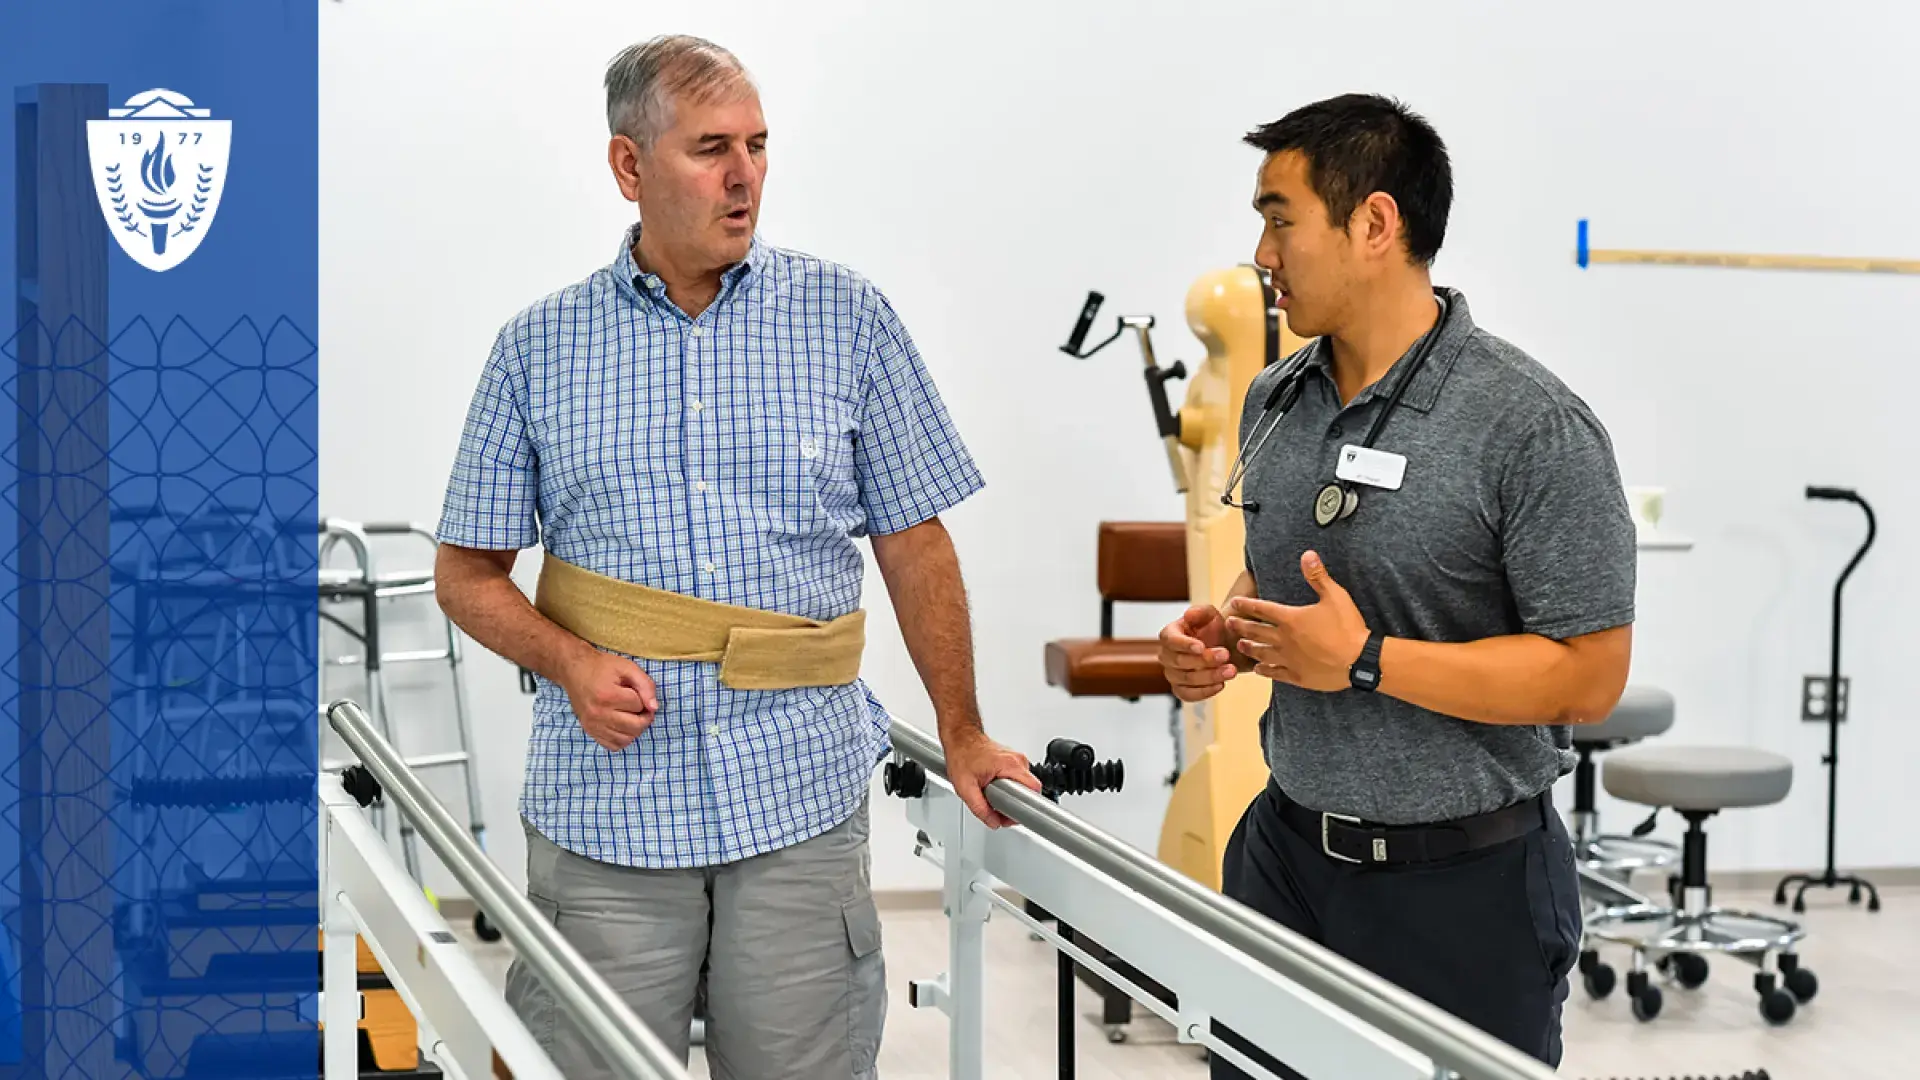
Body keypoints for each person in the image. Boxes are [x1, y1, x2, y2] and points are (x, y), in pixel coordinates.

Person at [433, 34, 1039, 1080]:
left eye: (758, 145)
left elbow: (914, 541)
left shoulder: (848, 319)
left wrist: (965, 730)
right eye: (712, 148)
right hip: (609, 813)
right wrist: (569, 663)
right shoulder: (537, 349)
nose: (745, 173)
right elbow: (466, 573)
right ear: (629, 166)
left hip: (798, 801)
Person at [1158, 93, 1635, 1076]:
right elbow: (1291, 573)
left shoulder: (1531, 426)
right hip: (1283, 865)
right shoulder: (1276, 398)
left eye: (1281, 220)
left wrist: (1368, 662)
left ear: (1375, 223)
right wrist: (1228, 630)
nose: (1262, 253)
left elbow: (1590, 676)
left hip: (1464, 889)